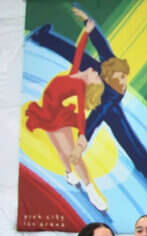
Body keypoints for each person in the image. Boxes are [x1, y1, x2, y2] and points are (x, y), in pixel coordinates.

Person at [28, 8, 147, 191]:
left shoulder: (110, 95)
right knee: (78, 56)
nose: (125, 83)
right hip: (98, 82)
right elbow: (100, 44)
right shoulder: (102, 68)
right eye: (119, 78)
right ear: (106, 74)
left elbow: (94, 119)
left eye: (124, 77)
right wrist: (88, 23)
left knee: (122, 131)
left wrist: (80, 141)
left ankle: (146, 168)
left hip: (103, 97)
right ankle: (43, 38)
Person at [24, 19, 108, 210]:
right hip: (46, 112)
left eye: (96, 76)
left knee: (73, 155)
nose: (95, 72)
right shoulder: (74, 72)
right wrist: (86, 32)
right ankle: (69, 174)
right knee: (61, 151)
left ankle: (91, 191)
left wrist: (81, 134)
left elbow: (79, 111)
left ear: (92, 82)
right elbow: (78, 51)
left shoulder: (79, 85)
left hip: (58, 116)